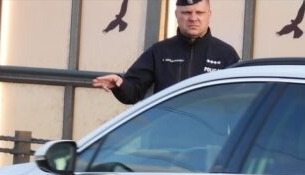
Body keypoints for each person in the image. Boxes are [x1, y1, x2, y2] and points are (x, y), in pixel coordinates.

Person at [92, 0, 240, 105]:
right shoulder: (160, 51)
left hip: (210, 143)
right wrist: (120, 84)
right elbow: (133, 92)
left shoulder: (226, 54)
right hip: (164, 141)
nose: (193, 18)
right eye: (187, 12)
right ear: (177, 14)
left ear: (209, 15)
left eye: (199, 12)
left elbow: (238, 101)